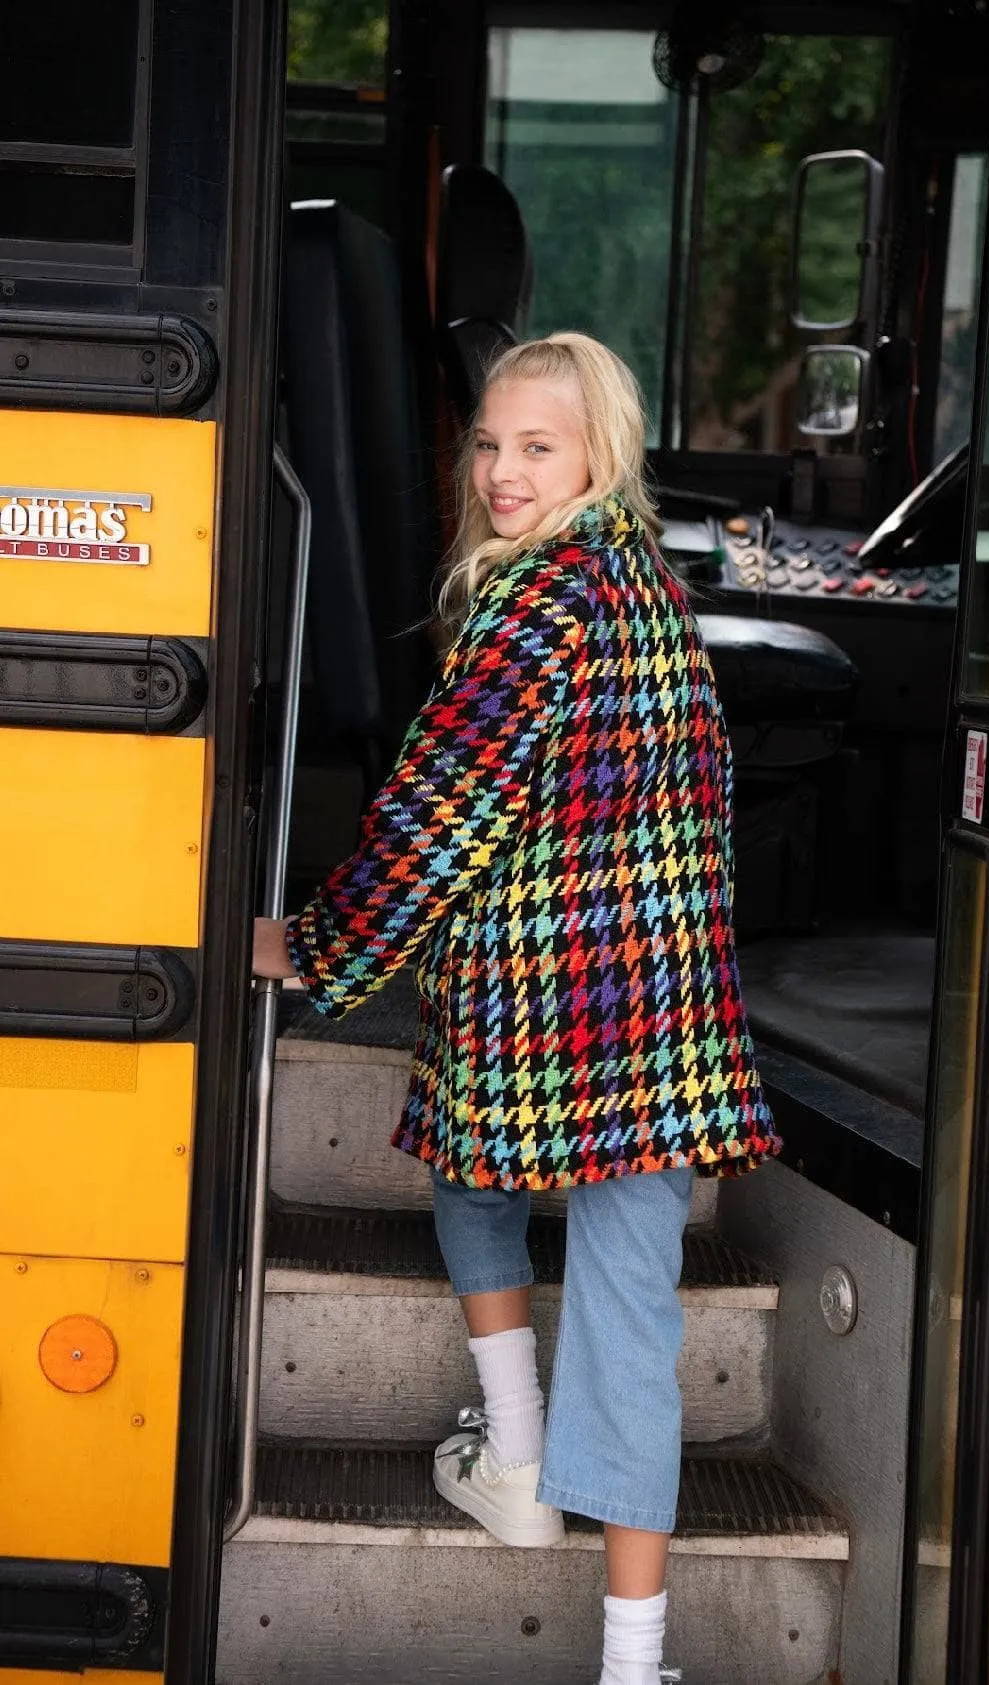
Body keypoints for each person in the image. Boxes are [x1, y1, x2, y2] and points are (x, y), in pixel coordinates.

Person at [253, 331, 780, 1685]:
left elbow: (439, 815)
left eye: (534, 446)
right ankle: (632, 1662)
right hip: (663, 1021)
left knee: (468, 1176)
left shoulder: (538, 599)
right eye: (487, 444)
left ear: (595, 453)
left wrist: (312, 947)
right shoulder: (651, 590)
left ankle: (522, 1454)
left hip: (546, 1006)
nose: (499, 470)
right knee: (628, 1318)